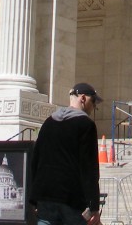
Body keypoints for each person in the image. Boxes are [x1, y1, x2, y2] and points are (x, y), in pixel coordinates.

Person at [29, 82, 103, 225]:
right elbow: (89, 168)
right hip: (71, 198)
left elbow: (35, 161)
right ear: (83, 98)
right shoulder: (86, 125)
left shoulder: (48, 122)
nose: (94, 107)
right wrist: (94, 206)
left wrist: (34, 198)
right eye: (93, 102)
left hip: (45, 197)